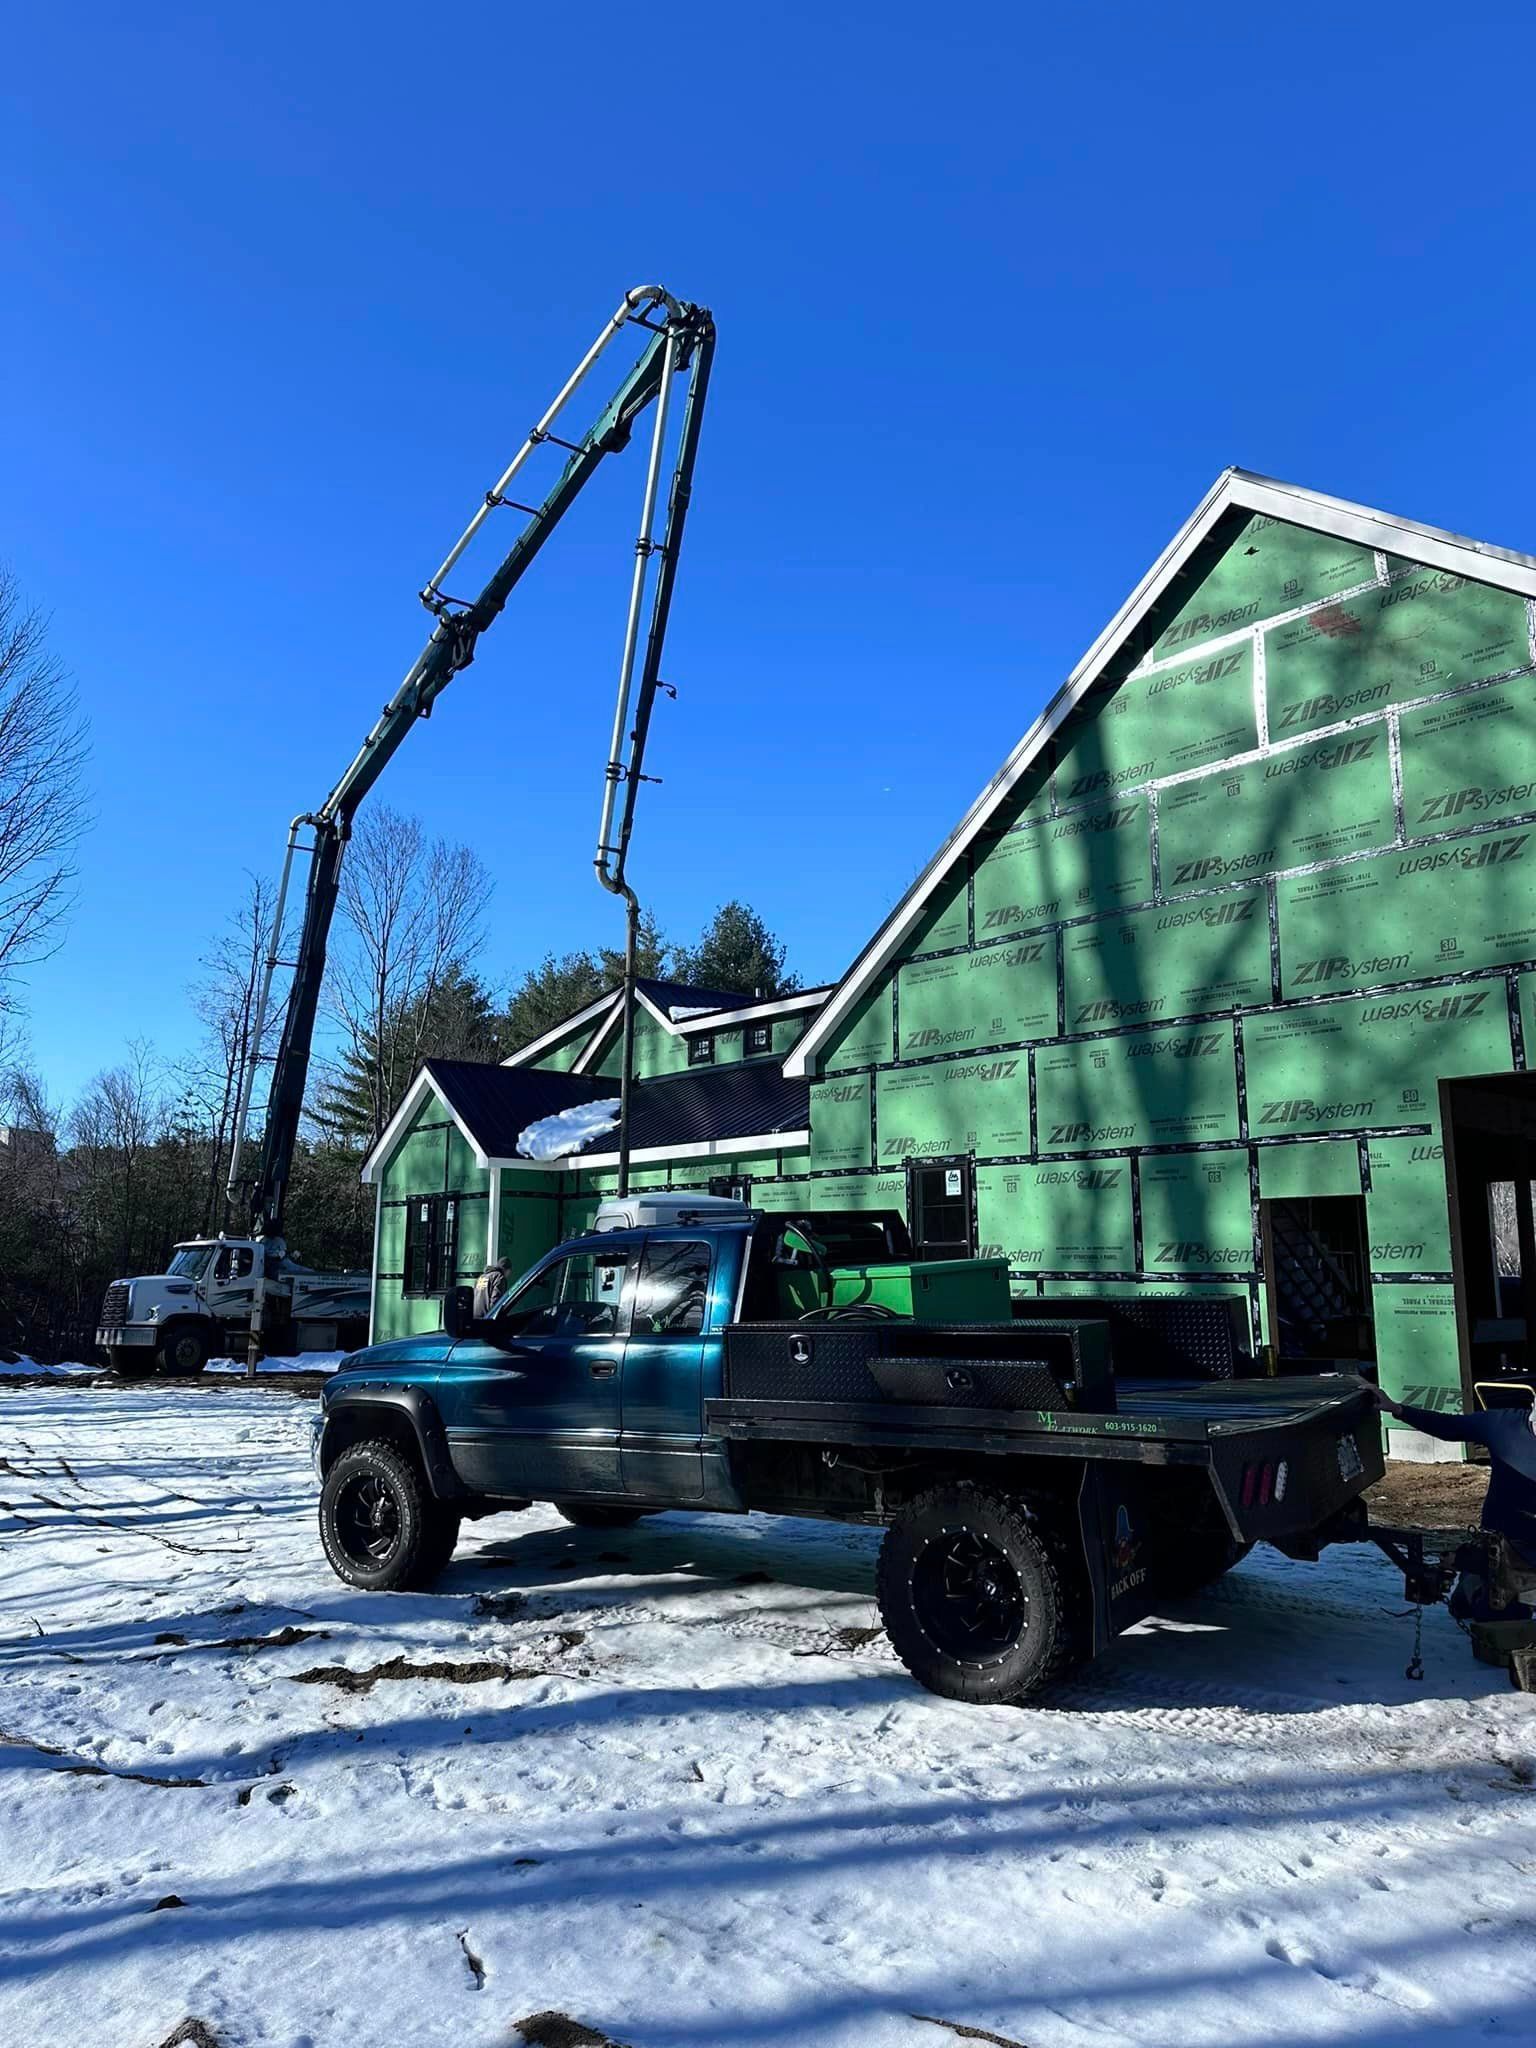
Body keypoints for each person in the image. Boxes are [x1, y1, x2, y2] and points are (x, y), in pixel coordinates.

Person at [1374, 1386, 1536, 1619]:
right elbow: (1450, 1427)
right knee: (1496, 1619)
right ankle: (1473, 1583)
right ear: (1532, 1409)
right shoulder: (1503, 1425)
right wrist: (1398, 1410)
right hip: (1504, 1541)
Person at [472, 1255, 510, 1323]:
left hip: (475, 1317)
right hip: (487, 1319)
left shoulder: (481, 1277)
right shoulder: (499, 1277)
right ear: (507, 1269)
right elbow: (496, 1300)